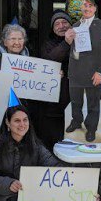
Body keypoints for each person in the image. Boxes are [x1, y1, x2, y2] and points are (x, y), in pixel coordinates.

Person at [66, 0, 101, 142]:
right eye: (85, 5)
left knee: (93, 102)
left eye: (90, 6)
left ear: (95, 9)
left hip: (93, 72)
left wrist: (100, 72)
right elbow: (72, 49)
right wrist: (68, 40)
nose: (87, 8)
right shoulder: (76, 25)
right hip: (76, 70)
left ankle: (91, 128)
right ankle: (76, 120)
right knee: (75, 100)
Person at [36, 10, 73, 149]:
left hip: (74, 103)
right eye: (57, 24)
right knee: (53, 143)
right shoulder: (47, 44)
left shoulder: (81, 42)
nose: (61, 26)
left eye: (64, 22)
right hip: (53, 106)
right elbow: (49, 61)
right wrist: (66, 43)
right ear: (53, 28)